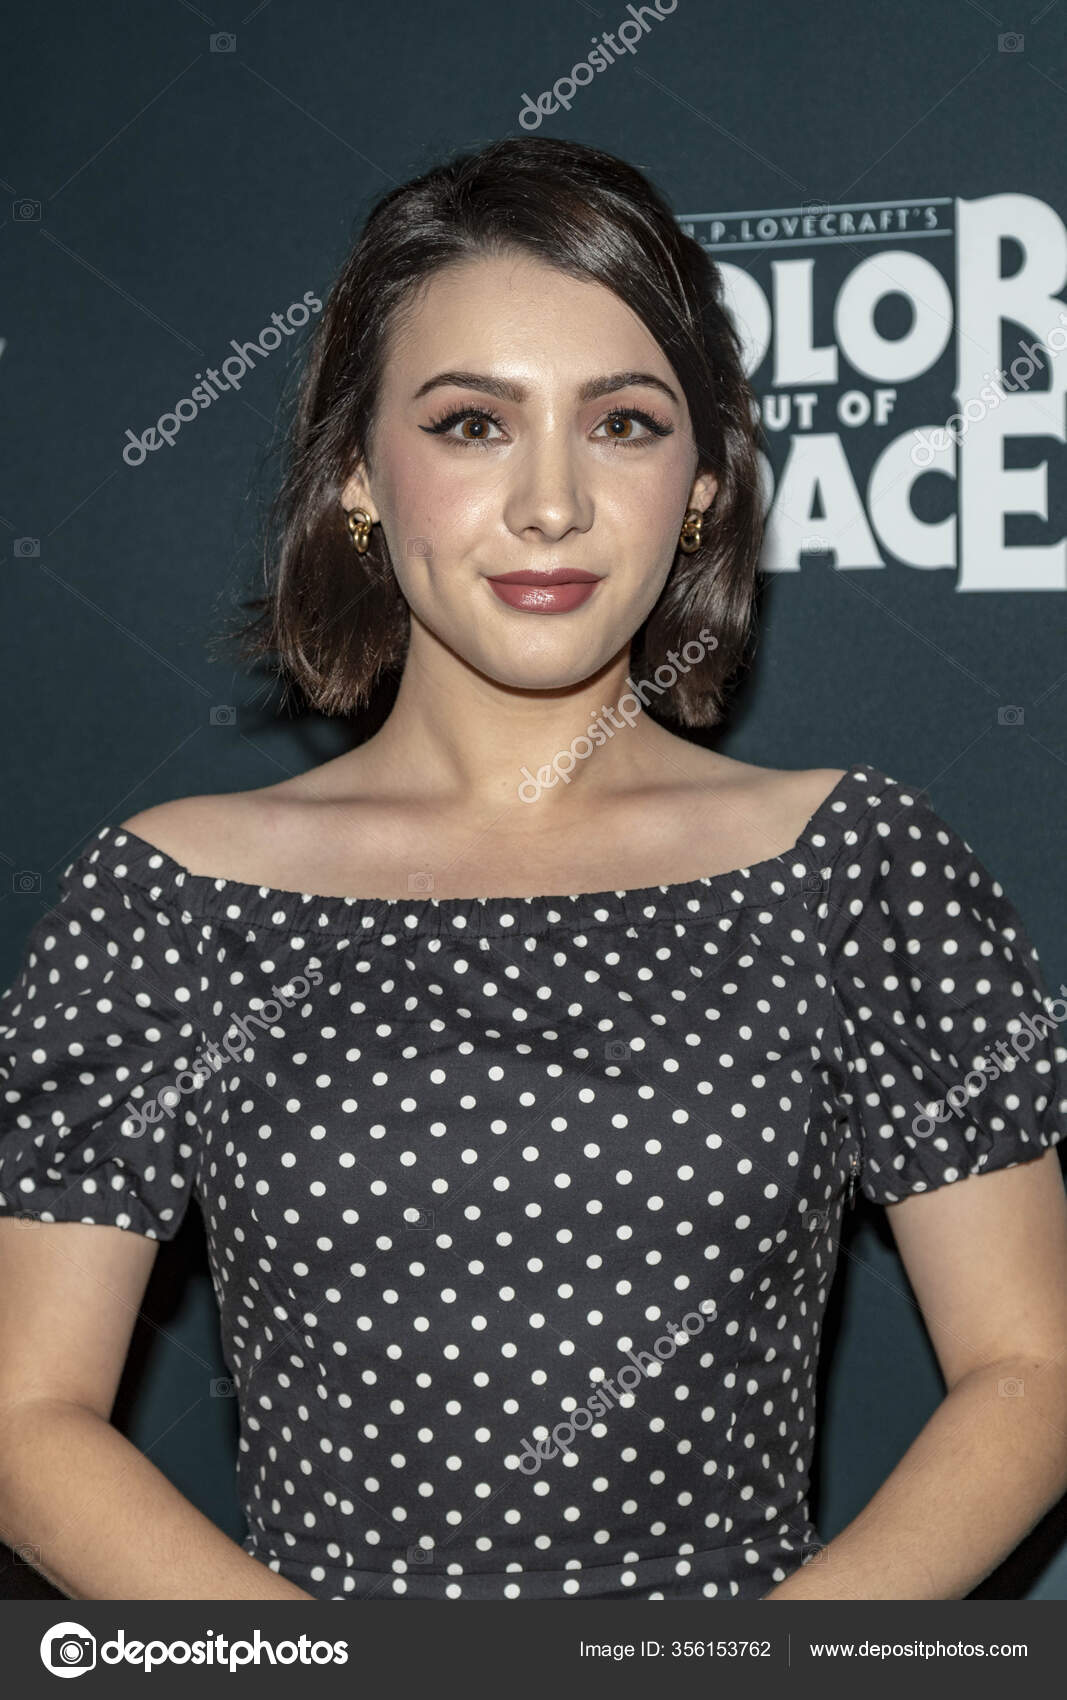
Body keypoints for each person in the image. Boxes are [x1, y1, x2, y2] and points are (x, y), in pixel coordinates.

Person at [1, 136, 1066, 1605]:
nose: (553, 504)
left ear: (703, 482)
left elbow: (1035, 1367)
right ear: (360, 477)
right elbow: (25, 1416)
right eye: (471, 424)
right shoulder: (172, 898)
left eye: (624, 423)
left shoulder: (855, 867)